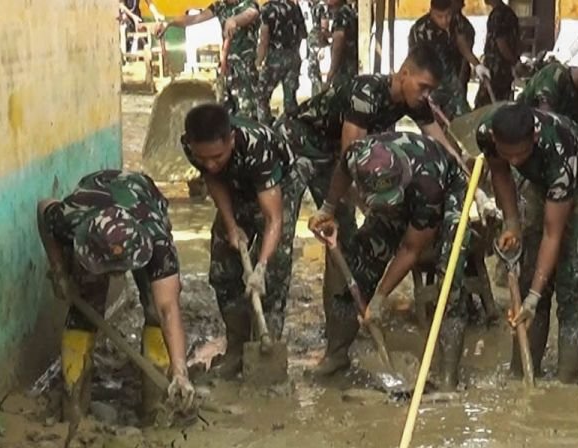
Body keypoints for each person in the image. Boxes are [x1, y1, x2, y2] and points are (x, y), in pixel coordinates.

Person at [278, 46, 464, 374]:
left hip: (355, 161)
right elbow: (346, 160)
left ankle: (348, 322)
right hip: (304, 145)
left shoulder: (415, 109)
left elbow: (439, 139)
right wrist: (328, 208)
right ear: (404, 73)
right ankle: (333, 347)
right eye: (422, 87)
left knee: (351, 248)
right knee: (284, 232)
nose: (425, 96)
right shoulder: (366, 95)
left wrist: (462, 165)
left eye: (430, 90)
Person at [310, 132, 471, 387]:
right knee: (357, 262)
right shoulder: (356, 155)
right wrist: (327, 208)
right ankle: (337, 354)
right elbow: (342, 170)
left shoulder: (428, 184)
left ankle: (448, 376)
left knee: (451, 274)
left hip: (447, 190)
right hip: (397, 188)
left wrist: (380, 299)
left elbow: (410, 249)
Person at [36, 171, 195, 427]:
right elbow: (43, 208)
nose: (117, 276)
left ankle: (155, 405)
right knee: (84, 311)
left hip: (143, 199)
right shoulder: (70, 219)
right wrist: (59, 270)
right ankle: (75, 406)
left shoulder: (157, 240)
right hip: (95, 205)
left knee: (155, 310)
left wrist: (180, 372)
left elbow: (168, 309)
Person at [476, 103, 578, 384]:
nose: (513, 160)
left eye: (519, 153)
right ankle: (522, 373)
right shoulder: (488, 132)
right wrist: (512, 222)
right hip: (539, 180)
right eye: (507, 152)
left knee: (573, 280)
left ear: (534, 139)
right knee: (528, 276)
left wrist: (535, 298)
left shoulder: (560, 146)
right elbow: (500, 171)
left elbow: (554, 233)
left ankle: (566, 381)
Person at [180, 104, 304, 378]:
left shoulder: (259, 148)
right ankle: (236, 349)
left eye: (217, 155)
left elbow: (273, 220)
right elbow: (213, 179)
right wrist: (231, 225)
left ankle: (265, 349)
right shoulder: (193, 148)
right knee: (223, 270)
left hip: (276, 187)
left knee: (273, 273)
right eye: (204, 157)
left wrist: (260, 267)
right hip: (235, 188)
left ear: (231, 140)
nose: (210, 162)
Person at [157, 1, 263, 120]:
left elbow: (251, 14)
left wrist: (234, 20)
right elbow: (194, 19)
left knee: (247, 115)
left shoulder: (248, 4)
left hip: (245, 71)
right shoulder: (220, 6)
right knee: (224, 116)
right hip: (226, 70)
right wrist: (170, 23)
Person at [408, 0, 488, 119]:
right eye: (439, 16)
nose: (445, 20)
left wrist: (477, 65)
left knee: (464, 122)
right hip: (430, 86)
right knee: (435, 127)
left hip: (451, 83)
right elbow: (414, 61)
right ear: (431, 12)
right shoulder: (420, 29)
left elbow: (462, 44)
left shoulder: (455, 21)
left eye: (448, 15)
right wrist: (420, 88)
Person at [257, 0, 308, 123]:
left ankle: (265, 127)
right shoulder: (294, 8)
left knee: (261, 95)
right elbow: (303, 34)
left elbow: (264, 38)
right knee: (290, 101)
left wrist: (258, 61)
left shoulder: (267, 8)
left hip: (275, 58)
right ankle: (291, 130)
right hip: (294, 56)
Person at [475, 0, 521, 107]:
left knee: (485, 106)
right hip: (502, 68)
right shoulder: (507, 13)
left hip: (496, 69)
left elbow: (501, 43)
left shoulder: (498, 15)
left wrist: (514, 61)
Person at [325, 0, 359, 89]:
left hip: (344, 70)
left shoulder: (342, 14)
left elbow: (339, 41)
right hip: (352, 68)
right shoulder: (350, 12)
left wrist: (331, 71)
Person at [306, 0, 330, 94]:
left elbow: (324, 27)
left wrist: (321, 47)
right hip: (311, 43)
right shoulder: (311, 6)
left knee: (313, 73)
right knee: (313, 72)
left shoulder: (321, 7)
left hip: (317, 43)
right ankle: (316, 96)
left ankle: (318, 96)